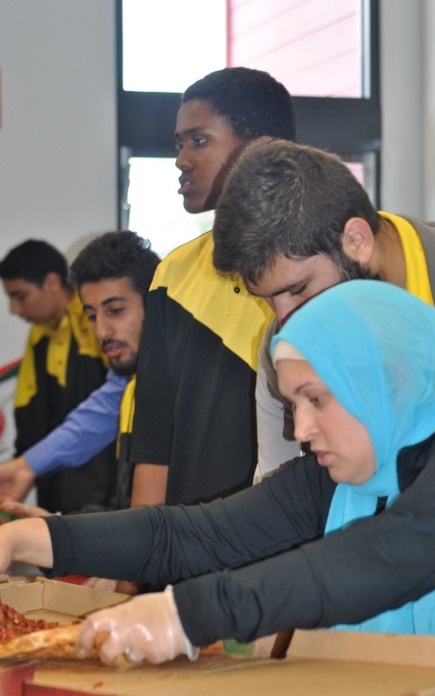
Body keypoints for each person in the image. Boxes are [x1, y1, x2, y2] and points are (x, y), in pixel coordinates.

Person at [3, 282, 435, 696]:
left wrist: (182, 615)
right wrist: (27, 539)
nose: (300, 428)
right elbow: (190, 534)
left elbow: (383, 558)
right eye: (293, 402)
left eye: (316, 399)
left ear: (385, 379)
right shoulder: (352, 474)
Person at [211, 138, 435, 478]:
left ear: (357, 241)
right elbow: (277, 500)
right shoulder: (286, 346)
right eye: (266, 298)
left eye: (298, 289)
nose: (284, 321)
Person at [129, 67, 296, 508]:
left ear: (262, 147)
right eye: (178, 144)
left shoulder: (322, 263)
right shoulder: (173, 274)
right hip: (190, 550)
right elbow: (154, 444)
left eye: (198, 141)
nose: (182, 159)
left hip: (296, 547)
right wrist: (136, 567)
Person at [0, 230, 159, 516]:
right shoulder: (130, 374)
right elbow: (106, 406)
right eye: (91, 316)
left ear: (155, 303)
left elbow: (152, 527)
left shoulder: (186, 376)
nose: (101, 332)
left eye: (116, 310)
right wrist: (26, 465)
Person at [0, 239, 116, 513]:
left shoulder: (95, 324)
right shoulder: (39, 334)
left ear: (52, 282)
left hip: (104, 488)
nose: (14, 310)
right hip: (52, 479)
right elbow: (27, 410)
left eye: (20, 296)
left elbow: (122, 399)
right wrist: (23, 468)